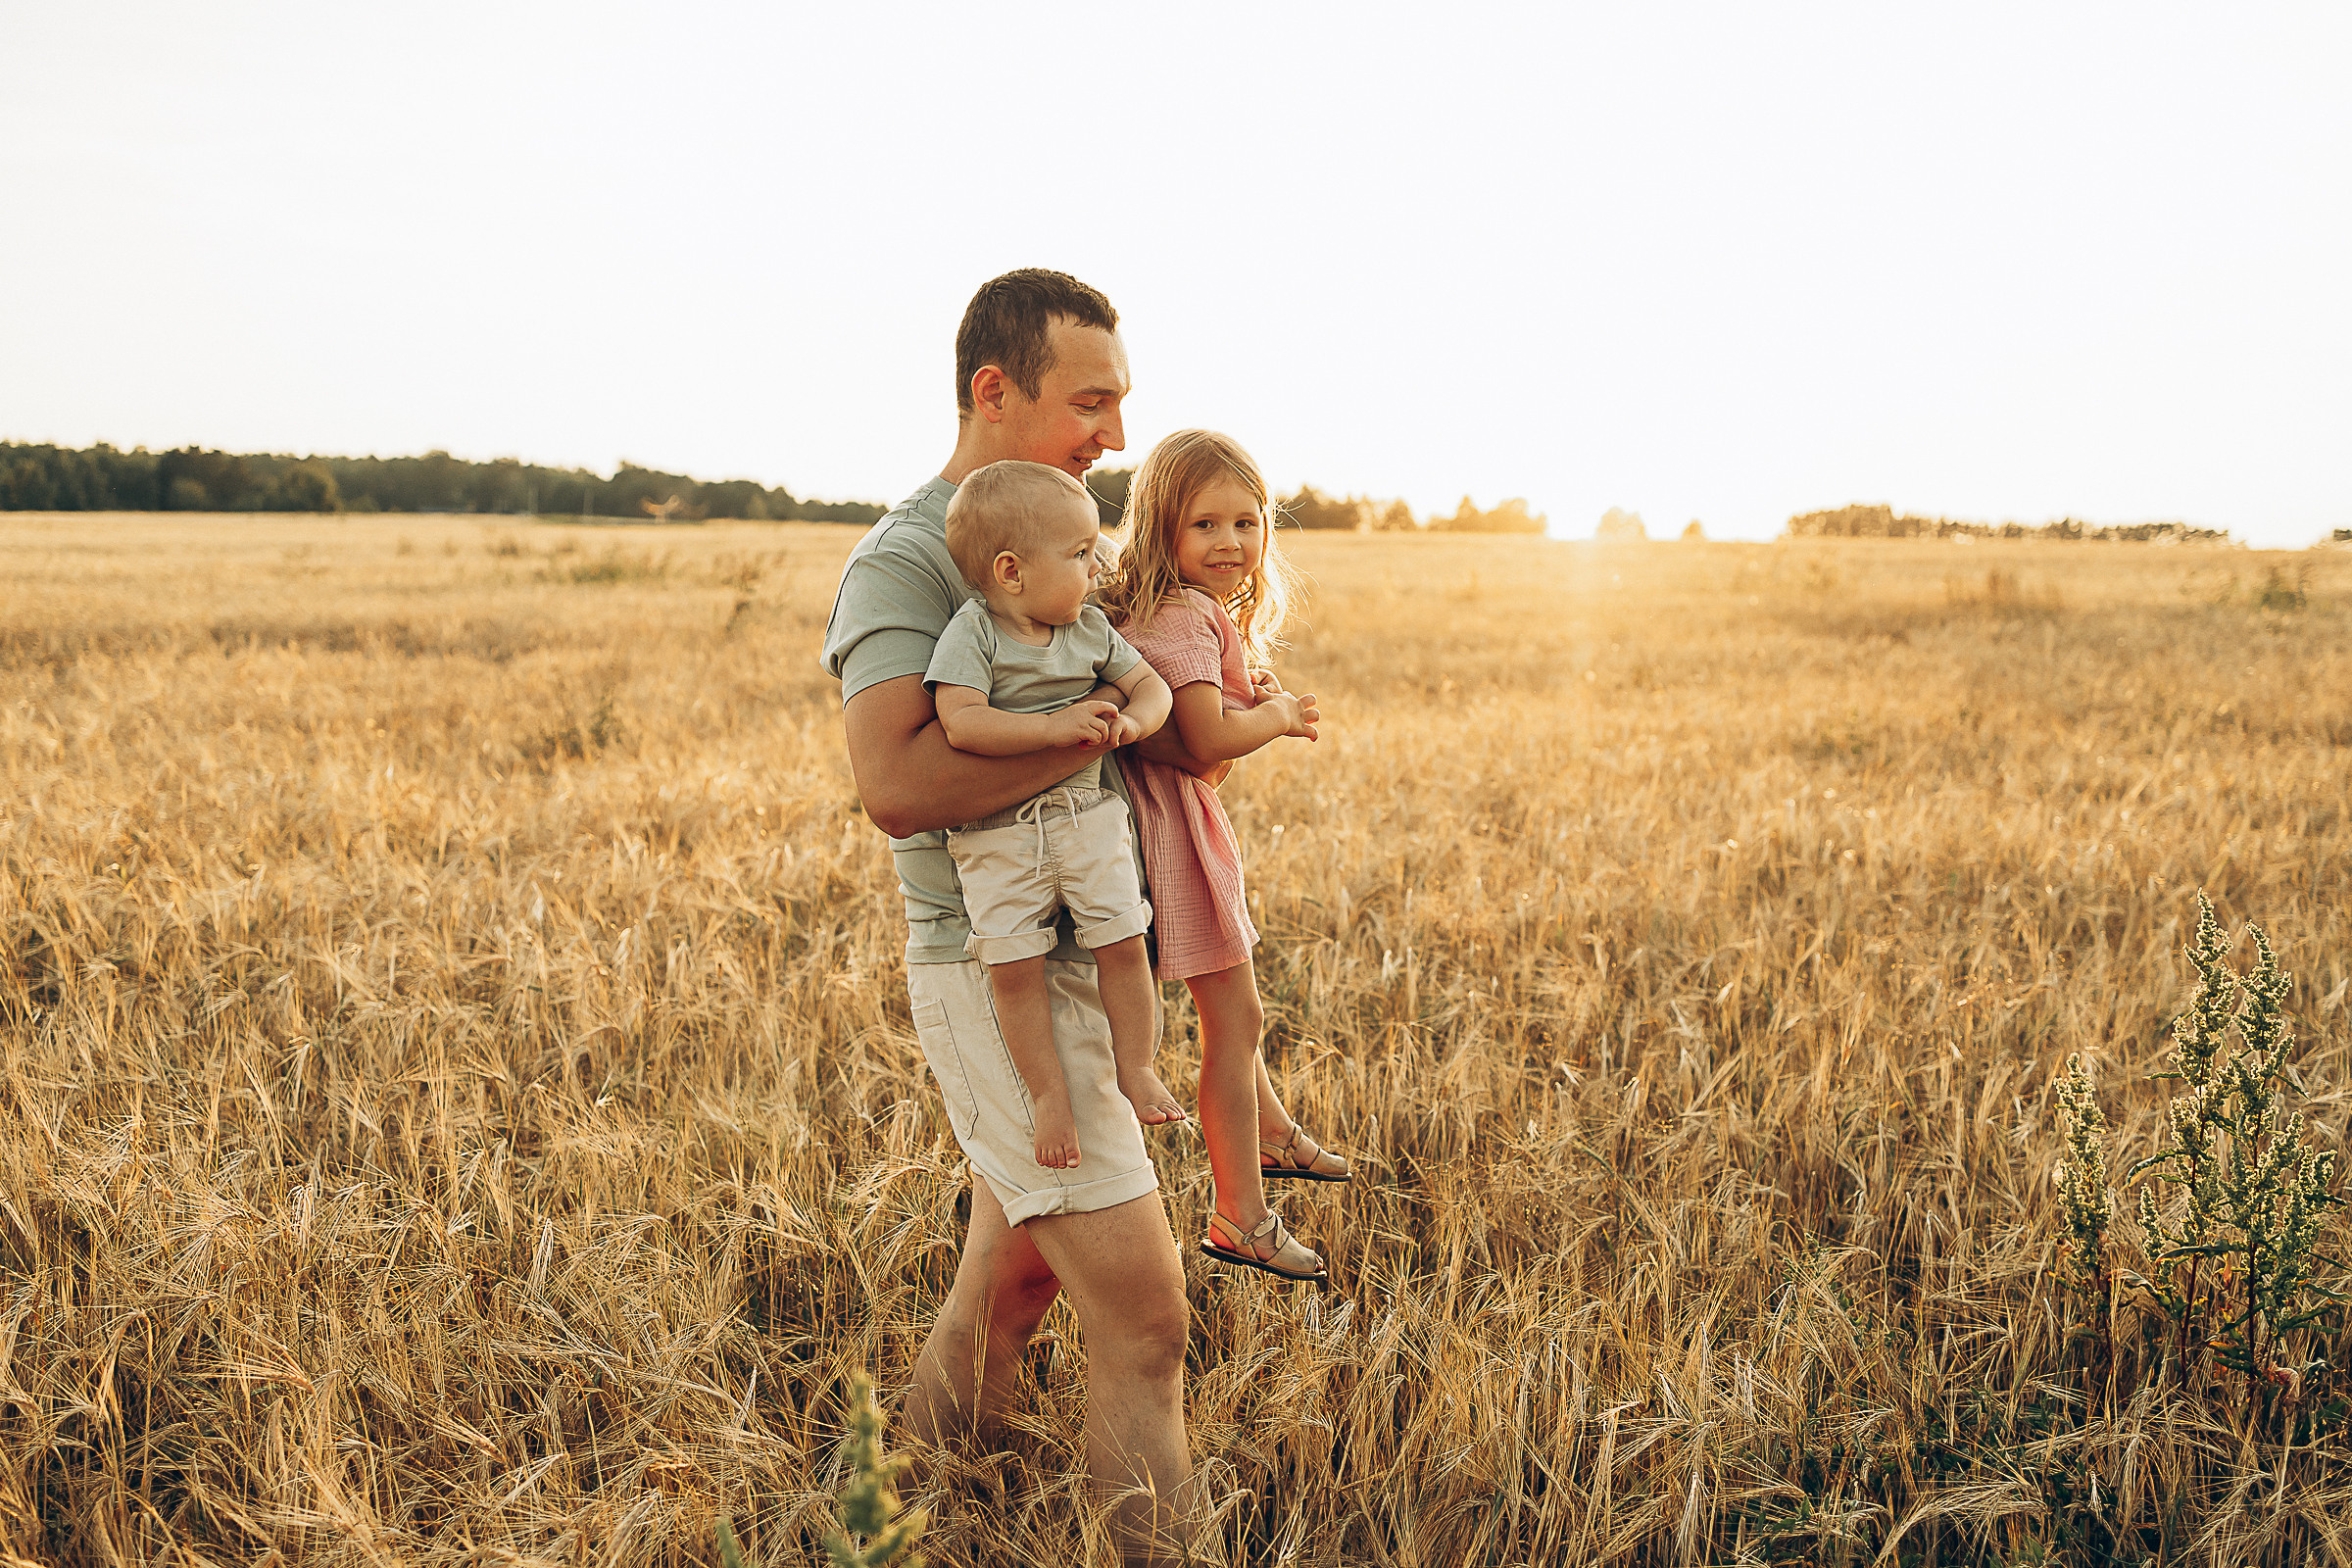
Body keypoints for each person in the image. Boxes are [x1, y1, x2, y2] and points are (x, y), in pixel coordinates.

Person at [818, 269, 1194, 1563]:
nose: (1116, 435)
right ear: (995, 389)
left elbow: (1140, 699)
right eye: (1090, 402)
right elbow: (896, 783)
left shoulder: (1063, 548)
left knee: (1017, 1278)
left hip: (1077, 953)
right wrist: (1083, 737)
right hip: (995, 972)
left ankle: (892, 1518)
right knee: (1144, 1320)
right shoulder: (907, 561)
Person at [1098, 429, 1355, 1286]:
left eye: (1247, 523)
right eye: (1204, 524)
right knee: (1235, 1018)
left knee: (1232, 1014)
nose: (1230, 543)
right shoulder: (1183, 613)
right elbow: (1207, 740)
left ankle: (1272, 1132)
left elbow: (1192, 736)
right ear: (1160, 526)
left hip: (1167, 818)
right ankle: (1240, 1216)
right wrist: (1275, 718)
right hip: (1172, 831)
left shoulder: (1163, 606)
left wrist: (1246, 711)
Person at [926, 458, 1179, 1165]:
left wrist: (1135, 723)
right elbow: (962, 722)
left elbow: (1151, 687)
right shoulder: (973, 634)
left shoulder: (1090, 630)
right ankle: (1046, 1097)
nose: (1097, 569)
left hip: (1088, 817)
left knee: (1122, 942)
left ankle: (1136, 1067)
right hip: (997, 838)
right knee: (1014, 968)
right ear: (1011, 572)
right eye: (1080, 554)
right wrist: (1052, 728)